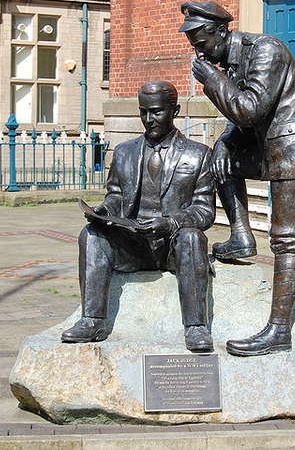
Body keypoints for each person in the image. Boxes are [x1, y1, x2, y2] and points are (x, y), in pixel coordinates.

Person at [179, 0, 295, 356]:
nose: (198, 49)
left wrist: (214, 80)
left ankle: (278, 330)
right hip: (264, 145)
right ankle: (242, 237)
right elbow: (244, 119)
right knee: (219, 158)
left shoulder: (266, 50)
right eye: (193, 42)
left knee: (287, 239)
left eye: (201, 40)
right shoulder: (229, 58)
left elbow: (249, 108)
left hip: (292, 148)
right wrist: (227, 140)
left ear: (221, 31)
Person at [61, 81, 215, 353]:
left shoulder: (199, 154)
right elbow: (116, 195)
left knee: (192, 237)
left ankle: (195, 326)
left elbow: (204, 211)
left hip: (173, 246)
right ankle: (92, 320)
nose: (148, 119)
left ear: (175, 111)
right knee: (92, 235)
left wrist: (170, 223)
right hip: (133, 244)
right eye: (143, 112)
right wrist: (105, 211)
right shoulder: (124, 152)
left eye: (156, 112)